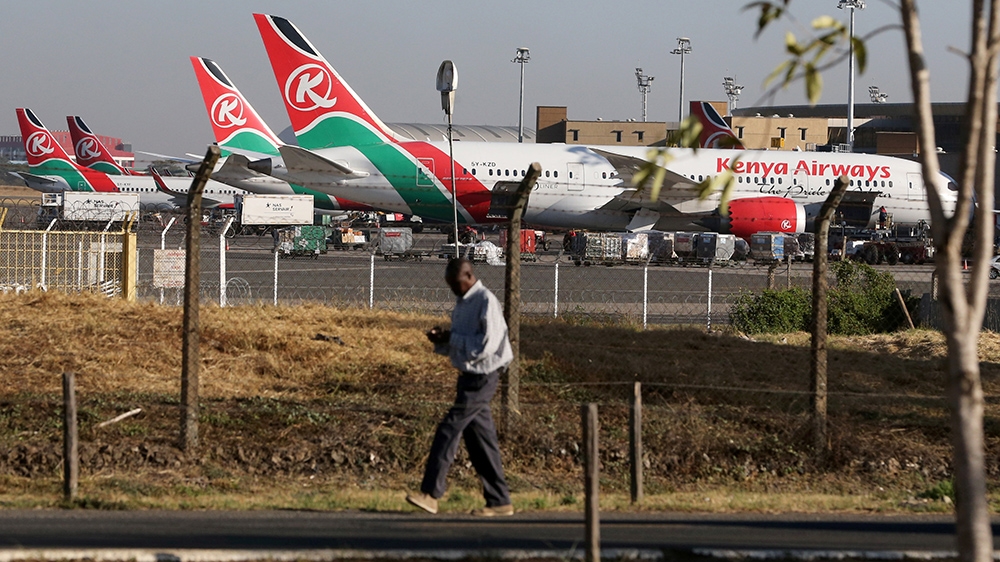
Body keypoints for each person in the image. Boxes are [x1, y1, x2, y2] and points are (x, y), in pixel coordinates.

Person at [406, 258, 515, 517]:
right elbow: (463, 341)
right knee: (481, 442)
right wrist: (442, 339)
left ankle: (431, 494)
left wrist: (451, 338)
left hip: (484, 377)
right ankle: (500, 500)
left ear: (468, 275)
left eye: (455, 285)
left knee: (448, 429)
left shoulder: (486, 301)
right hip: (469, 376)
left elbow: (485, 347)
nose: (453, 290)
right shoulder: (463, 301)